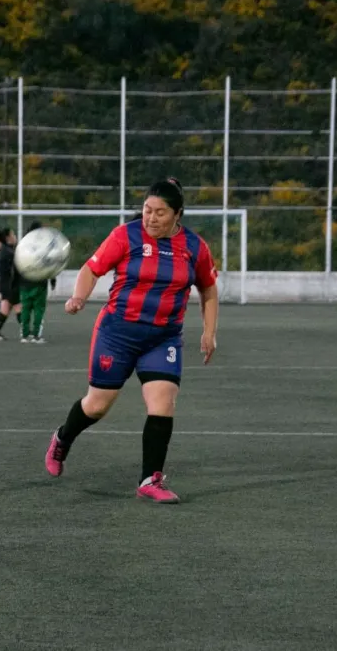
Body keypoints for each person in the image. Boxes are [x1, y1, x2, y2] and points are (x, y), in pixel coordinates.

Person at [44, 178, 219, 504]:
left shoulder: (195, 248)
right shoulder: (126, 235)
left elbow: (208, 288)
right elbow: (91, 269)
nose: (151, 218)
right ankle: (62, 438)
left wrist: (209, 332)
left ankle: (150, 479)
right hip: (117, 335)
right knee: (96, 406)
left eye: (160, 213)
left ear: (177, 214)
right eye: (147, 210)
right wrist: (79, 298)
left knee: (163, 404)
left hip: (163, 338)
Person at [18, 221, 57, 344]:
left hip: (24, 283)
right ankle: (36, 335)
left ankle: (24, 335)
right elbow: (49, 263)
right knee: (38, 310)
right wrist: (52, 279)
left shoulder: (22, 244)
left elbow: (17, 263)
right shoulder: (43, 244)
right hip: (39, 282)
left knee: (26, 309)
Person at [0, 228, 22, 341]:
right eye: (13, 234)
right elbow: (16, 269)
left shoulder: (2, 250)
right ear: (8, 237)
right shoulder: (8, 252)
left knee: (5, 308)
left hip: (3, 285)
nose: (15, 236)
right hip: (9, 285)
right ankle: (27, 332)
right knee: (19, 307)